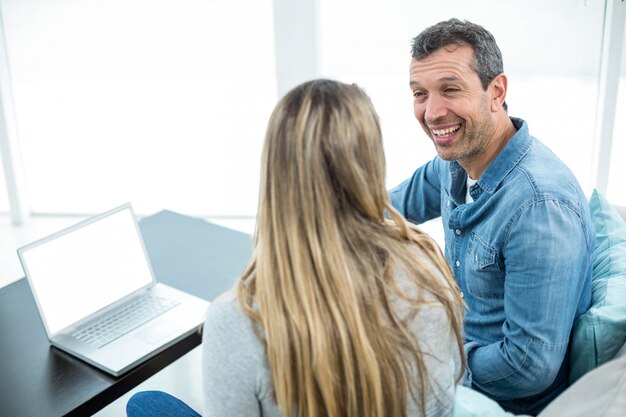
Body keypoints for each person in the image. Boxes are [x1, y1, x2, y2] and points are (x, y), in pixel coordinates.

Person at [127, 79, 465, 417]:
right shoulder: (427, 269)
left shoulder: (238, 319)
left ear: (276, 171)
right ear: (371, 162)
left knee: (145, 405)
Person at [389, 18, 594, 416]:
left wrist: (426, 365)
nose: (432, 112)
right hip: (452, 360)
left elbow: (527, 367)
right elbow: (388, 207)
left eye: (450, 89)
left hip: (496, 403)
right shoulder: (458, 161)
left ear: (496, 91)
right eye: (420, 94)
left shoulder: (539, 208)